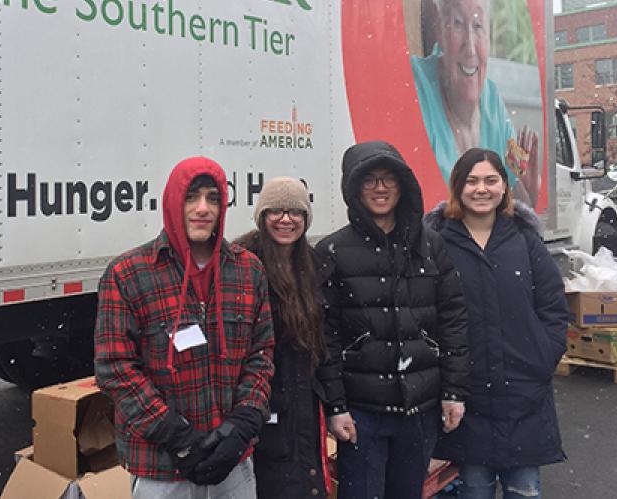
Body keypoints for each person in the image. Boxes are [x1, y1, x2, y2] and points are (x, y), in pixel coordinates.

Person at [94, 156, 275, 498]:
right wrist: (176, 436)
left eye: (213, 197)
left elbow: (261, 355)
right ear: (173, 201)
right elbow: (115, 368)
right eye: (191, 197)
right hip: (160, 466)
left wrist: (241, 425)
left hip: (232, 462)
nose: (202, 208)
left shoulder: (249, 270)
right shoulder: (128, 274)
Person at [317, 141, 469, 499]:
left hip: (420, 406)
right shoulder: (333, 252)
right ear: (353, 189)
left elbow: (453, 321)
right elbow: (326, 335)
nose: (380, 188)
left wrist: (453, 392)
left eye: (389, 179)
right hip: (362, 412)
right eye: (369, 180)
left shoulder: (430, 246)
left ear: (403, 185)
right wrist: (335, 406)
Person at [424, 148, 568, 499]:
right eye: (471, 181)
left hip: (523, 392)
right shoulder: (437, 243)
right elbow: (425, 312)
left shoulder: (524, 240)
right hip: (467, 394)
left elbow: (553, 307)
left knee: (524, 489)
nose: (481, 189)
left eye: (491, 180)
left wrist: (542, 357)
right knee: (475, 488)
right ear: (457, 187)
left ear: (504, 187)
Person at [410, 0, 539, 207]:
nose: (470, 47)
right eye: (457, 22)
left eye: (478, 25)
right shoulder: (415, 86)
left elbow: (519, 205)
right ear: (437, 24)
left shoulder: (492, 100)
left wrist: (528, 191)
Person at [235, 177, 328, 499]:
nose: (286, 219)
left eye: (295, 212)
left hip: (304, 395)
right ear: (262, 216)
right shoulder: (243, 262)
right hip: (262, 396)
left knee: (304, 477)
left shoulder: (314, 264)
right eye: (276, 210)